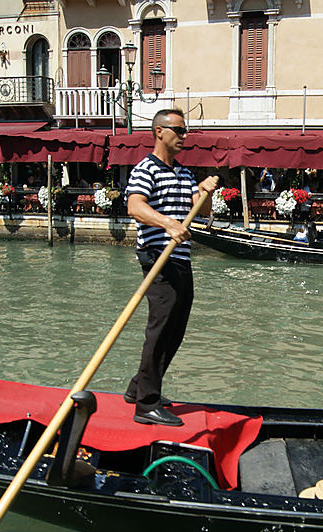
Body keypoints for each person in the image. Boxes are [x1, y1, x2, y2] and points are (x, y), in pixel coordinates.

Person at [123, 108, 219, 427]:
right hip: (156, 255)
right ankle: (146, 404)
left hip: (180, 258)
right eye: (178, 130)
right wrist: (167, 224)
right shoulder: (145, 169)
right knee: (161, 326)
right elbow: (135, 206)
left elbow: (201, 210)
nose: (183, 136)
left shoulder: (184, 172)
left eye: (184, 130)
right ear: (159, 132)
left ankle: (138, 387)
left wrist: (205, 193)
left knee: (176, 328)